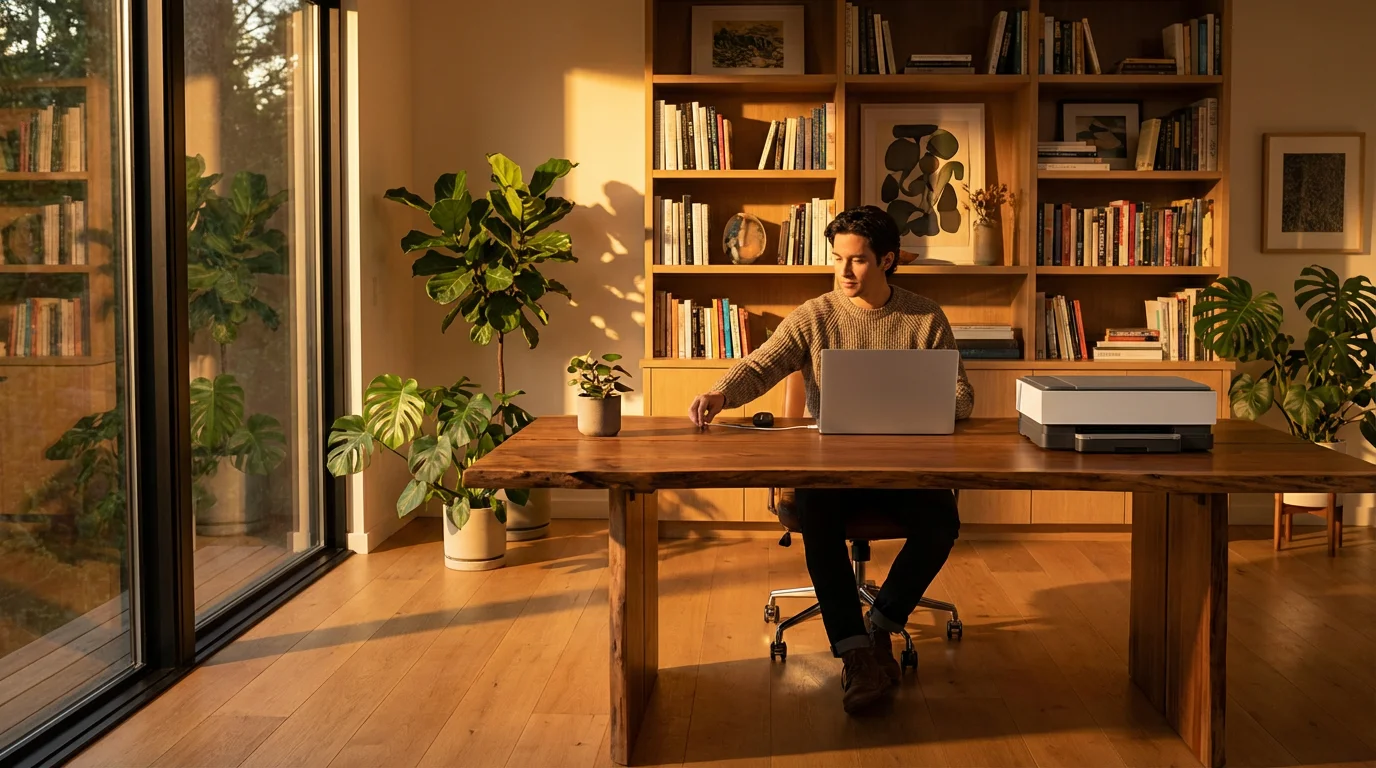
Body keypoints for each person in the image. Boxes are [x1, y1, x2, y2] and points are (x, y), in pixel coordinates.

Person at [687, 204, 974, 714]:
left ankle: (881, 625)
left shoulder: (925, 317)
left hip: (903, 469)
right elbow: (761, 365)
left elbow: (962, 398)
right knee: (817, 514)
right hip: (831, 469)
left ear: (887, 260)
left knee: (942, 522)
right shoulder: (815, 315)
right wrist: (721, 393)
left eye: (857, 260)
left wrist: (913, 402)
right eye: (837, 258)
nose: (844, 271)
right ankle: (856, 654)